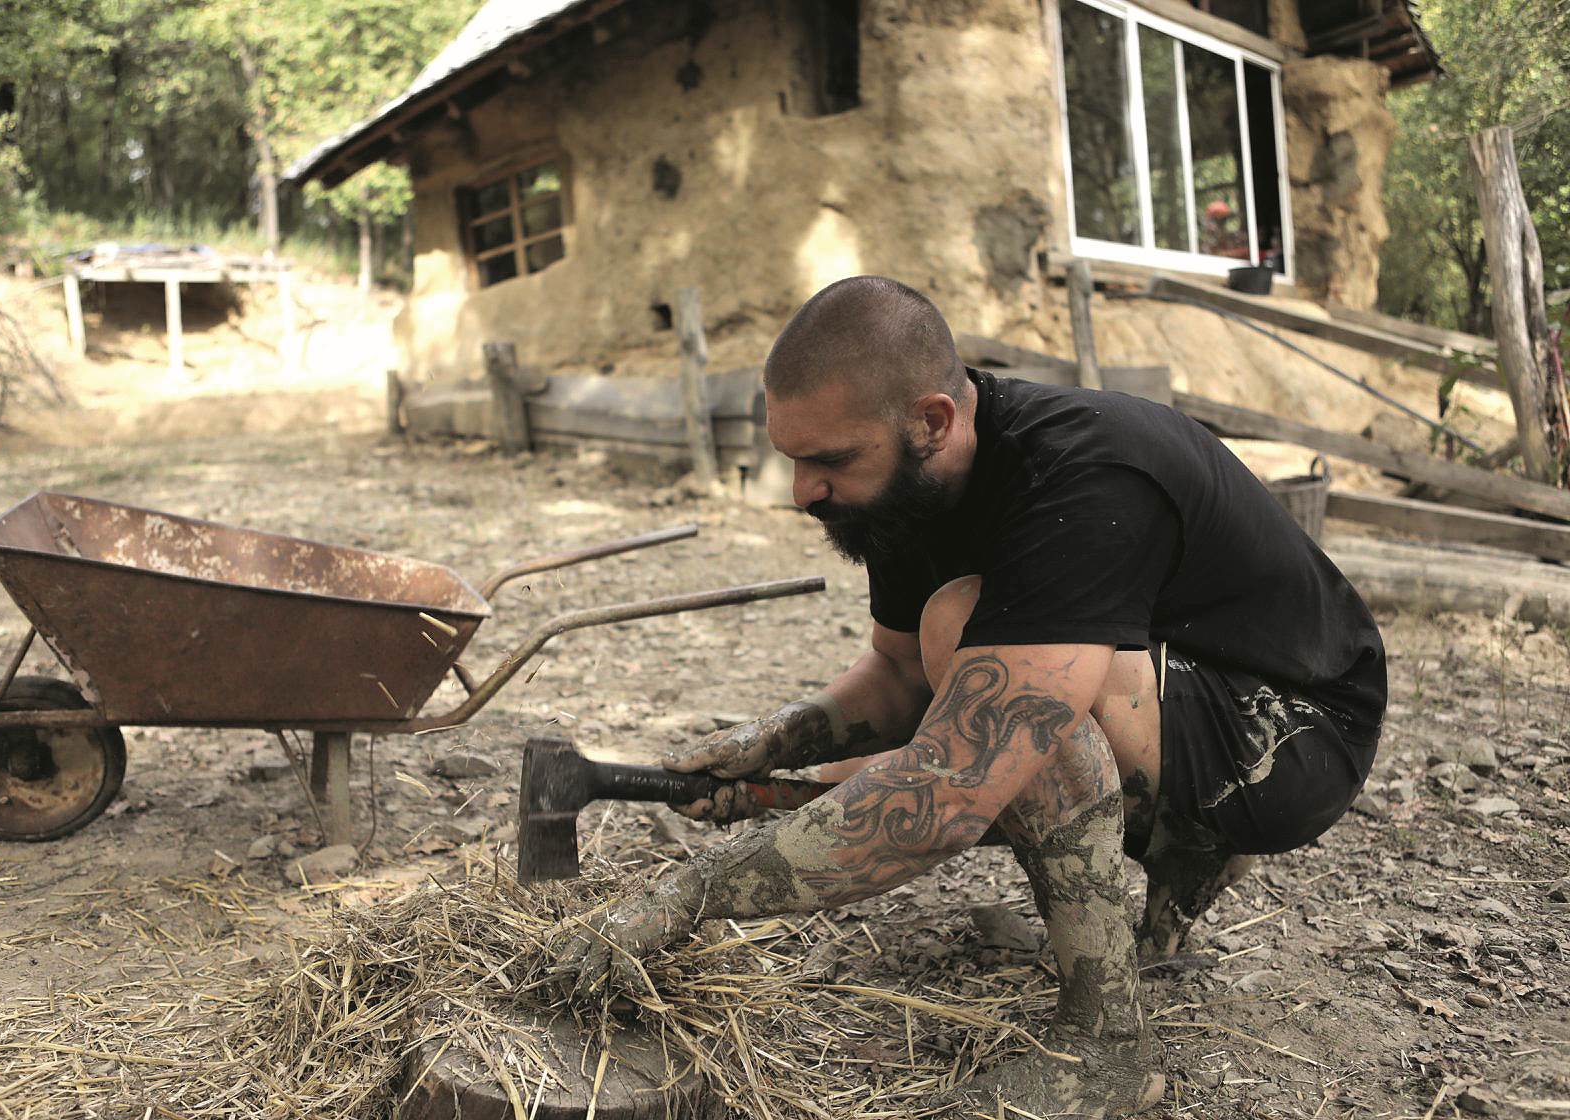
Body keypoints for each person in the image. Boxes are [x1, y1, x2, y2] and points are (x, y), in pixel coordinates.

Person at [544, 276, 1387, 1119]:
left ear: (932, 421)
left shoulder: (1085, 470)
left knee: (990, 670)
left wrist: (690, 893)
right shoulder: (910, 487)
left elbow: (951, 787)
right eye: (793, 458)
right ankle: (1175, 874)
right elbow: (902, 680)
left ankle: (1109, 1047)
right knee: (977, 664)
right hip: (1178, 691)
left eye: (830, 460)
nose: (803, 491)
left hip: (1293, 735)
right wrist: (782, 742)